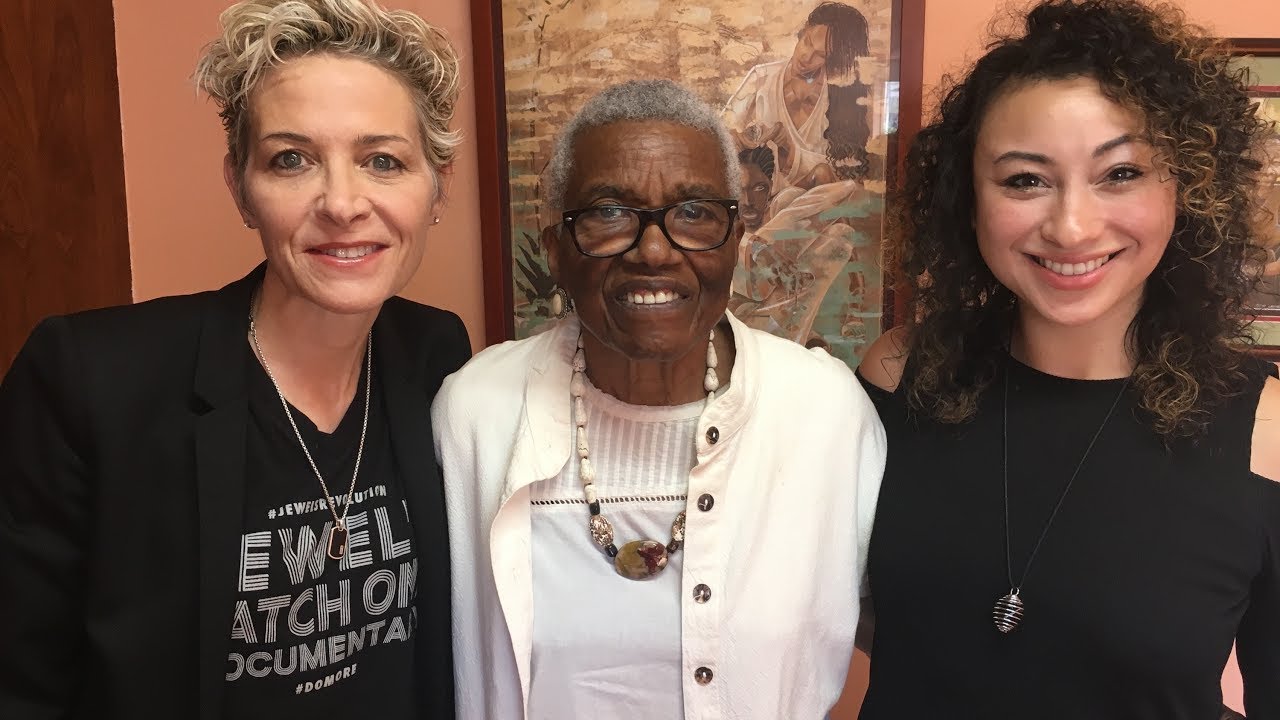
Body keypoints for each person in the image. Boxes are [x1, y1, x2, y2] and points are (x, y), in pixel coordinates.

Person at [0, 1, 469, 718]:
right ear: (241, 188)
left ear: (436, 185)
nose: (342, 203)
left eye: (383, 160)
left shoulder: (435, 356)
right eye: (292, 160)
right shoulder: (91, 380)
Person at [855, 0, 1280, 717]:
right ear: (969, 200)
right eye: (1026, 180)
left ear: (1188, 188)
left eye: (1121, 173)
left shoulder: (1266, 432)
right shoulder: (903, 374)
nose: (1072, 228)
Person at [435, 79, 885, 719]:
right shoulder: (476, 413)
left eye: (695, 213)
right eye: (609, 213)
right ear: (556, 250)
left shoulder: (823, 414)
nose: (654, 251)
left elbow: (917, 631)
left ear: (736, 240)